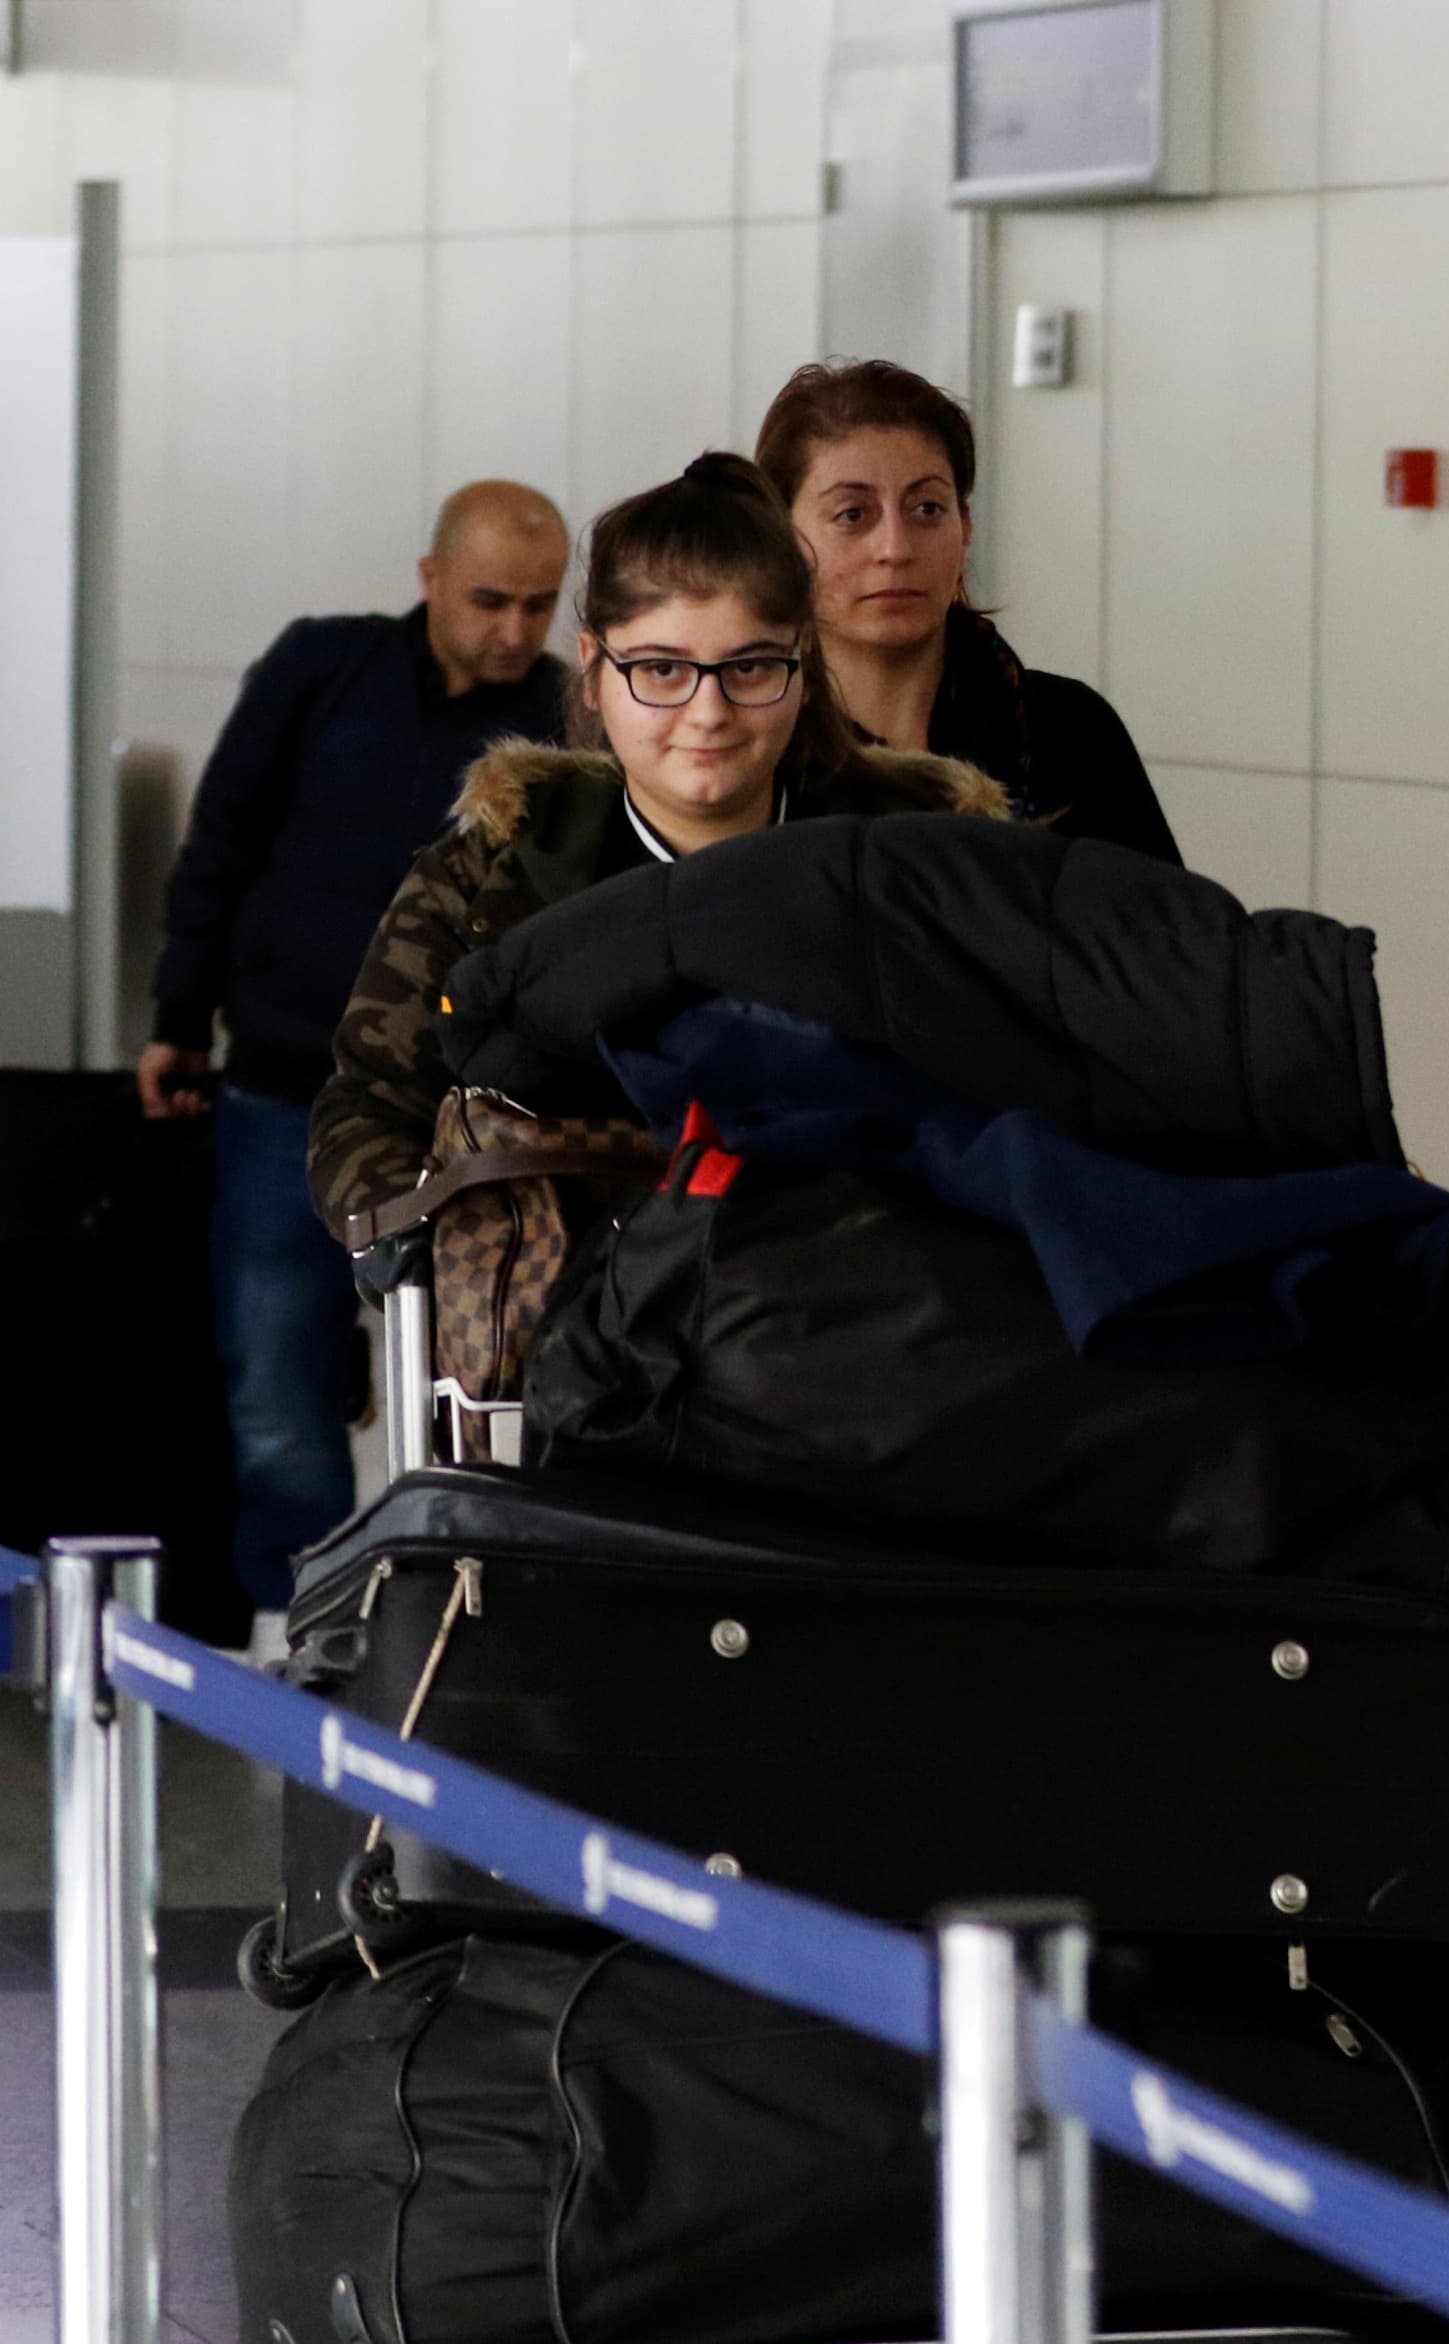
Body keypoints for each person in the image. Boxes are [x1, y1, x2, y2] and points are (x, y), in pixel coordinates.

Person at [309, 455, 1006, 1240]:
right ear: (593, 669)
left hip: (864, 1293)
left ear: (804, 665)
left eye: (750, 666)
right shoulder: (492, 870)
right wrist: (437, 1242)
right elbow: (367, 1105)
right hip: (559, 1298)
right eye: (662, 669)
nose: (708, 712)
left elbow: (1027, 1089)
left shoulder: (922, 858)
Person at [138, 480, 569, 1609]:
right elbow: (220, 843)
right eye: (489, 600)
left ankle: (434, 1620)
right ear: (430, 579)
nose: (515, 630)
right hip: (283, 1083)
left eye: (538, 604)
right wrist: (178, 1019)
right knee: (277, 1381)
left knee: (468, 1387)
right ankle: (291, 1620)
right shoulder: (320, 670)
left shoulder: (566, 722)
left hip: (464, 1115)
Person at [753, 358, 1180, 860]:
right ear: (781, 541)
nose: (895, 548)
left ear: (966, 528)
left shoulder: (1071, 731)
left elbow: (1159, 911)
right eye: (852, 514)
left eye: (927, 509)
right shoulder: (754, 744)